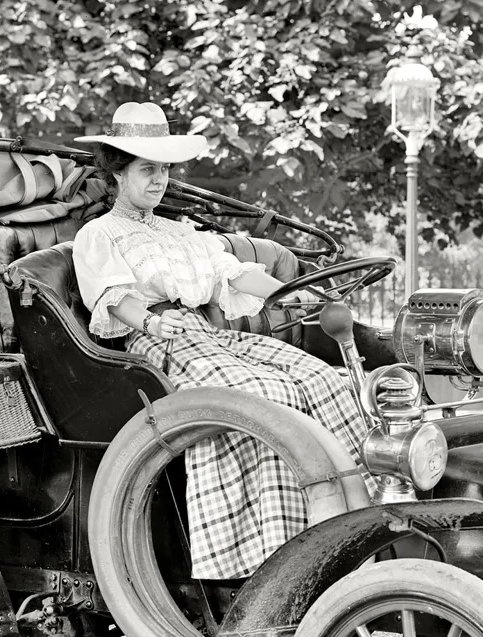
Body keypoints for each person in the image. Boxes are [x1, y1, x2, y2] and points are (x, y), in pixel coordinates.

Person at [72, 102, 373, 581]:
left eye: (164, 169)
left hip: (206, 334)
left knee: (324, 379)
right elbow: (112, 298)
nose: (159, 180)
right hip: (155, 346)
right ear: (117, 174)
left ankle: (356, 520)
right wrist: (150, 323)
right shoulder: (100, 234)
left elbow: (233, 275)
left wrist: (296, 292)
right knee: (266, 398)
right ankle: (278, 548)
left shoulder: (183, 232)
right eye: (146, 169)